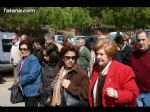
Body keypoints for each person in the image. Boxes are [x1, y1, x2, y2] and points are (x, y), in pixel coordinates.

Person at [88, 38, 139, 107]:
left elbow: (133, 93)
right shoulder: (96, 70)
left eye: (101, 54)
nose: (98, 57)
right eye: (97, 54)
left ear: (110, 55)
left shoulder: (123, 70)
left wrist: (117, 94)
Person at [129, 30, 150, 107]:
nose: (141, 42)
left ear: (149, 41)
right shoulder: (132, 55)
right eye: (138, 40)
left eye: (143, 40)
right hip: (136, 93)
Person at [17, 40, 42, 107]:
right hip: (26, 90)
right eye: (21, 49)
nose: (22, 51)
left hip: (32, 91)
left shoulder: (33, 59)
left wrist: (19, 80)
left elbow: (32, 76)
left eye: (25, 49)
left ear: (30, 49)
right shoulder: (22, 59)